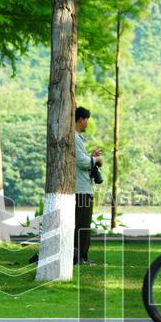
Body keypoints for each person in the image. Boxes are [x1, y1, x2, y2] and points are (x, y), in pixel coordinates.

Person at [74, 106, 102, 264]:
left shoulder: (77, 138)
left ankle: (81, 256)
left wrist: (90, 157)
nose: (87, 124)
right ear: (81, 119)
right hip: (81, 190)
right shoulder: (75, 137)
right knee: (82, 225)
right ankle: (80, 257)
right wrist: (96, 160)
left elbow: (82, 160)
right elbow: (82, 163)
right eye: (86, 121)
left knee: (83, 224)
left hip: (84, 188)